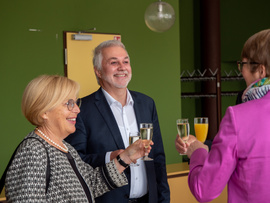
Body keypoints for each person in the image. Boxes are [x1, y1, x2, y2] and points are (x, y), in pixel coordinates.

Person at [4, 75, 151, 202]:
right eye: (69, 103)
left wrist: (126, 157)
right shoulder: (33, 151)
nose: (77, 109)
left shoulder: (65, 148)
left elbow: (92, 184)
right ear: (44, 111)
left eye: (75, 102)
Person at [65, 40, 170, 203]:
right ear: (98, 71)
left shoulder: (147, 103)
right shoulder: (81, 109)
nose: (122, 67)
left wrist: (163, 199)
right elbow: (75, 161)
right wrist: (111, 157)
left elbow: (158, 158)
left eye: (125, 61)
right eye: (114, 62)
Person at [175, 29, 270, 202]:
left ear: (261, 71)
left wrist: (197, 152)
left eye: (243, 65)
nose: (241, 72)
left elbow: (204, 190)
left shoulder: (238, 116)